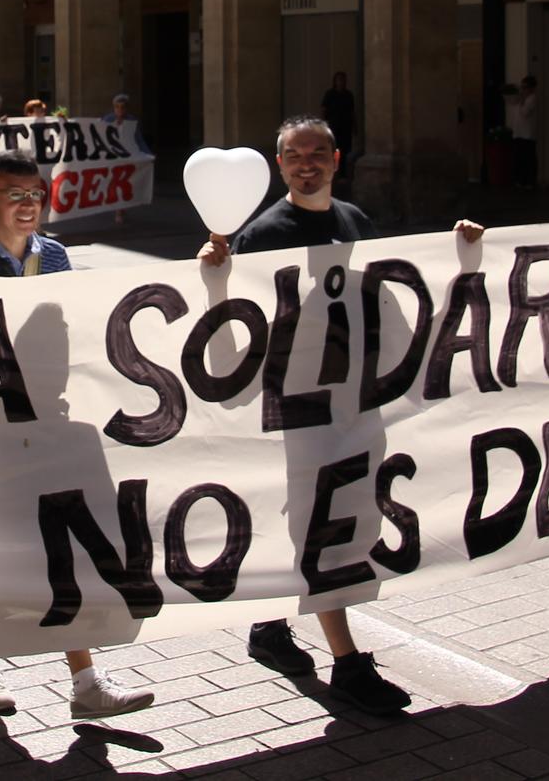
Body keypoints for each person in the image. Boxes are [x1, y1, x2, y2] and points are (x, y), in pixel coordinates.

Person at [199, 115, 484, 716]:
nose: (307, 164)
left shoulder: (356, 221)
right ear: (280, 167)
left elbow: (382, 297)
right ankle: (349, 665)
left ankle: (270, 627)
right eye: (294, 156)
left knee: (326, 516)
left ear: (336, 157)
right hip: (299, 404)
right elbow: (240, 321)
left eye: (317, 153)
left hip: (354, 398)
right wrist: (216, 277)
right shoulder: (265, 234)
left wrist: (459, 256)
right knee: (325, 525)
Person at [0, 151, 156, 720]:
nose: (27, 205)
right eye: (14, 194)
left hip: (49, 419)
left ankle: (86, 682)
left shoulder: (56, 255)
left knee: (63, 545)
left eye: (36, 194)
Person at [104, 93, 147, 225]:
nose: (120, 110)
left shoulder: (132, 120)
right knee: (115, 182)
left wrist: (147, 154)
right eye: (117, 107)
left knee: (124, 183)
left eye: (123, 107)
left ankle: (120, 209)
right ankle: (118, 209)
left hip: (127, 157)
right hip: (113, 157)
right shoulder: (107, 120)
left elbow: (138, 139)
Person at [506, 76, 539, 189]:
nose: (523, 90)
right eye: (522, 87)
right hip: (518, 132)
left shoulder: (532, 99)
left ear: (531, 88)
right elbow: (510, 102)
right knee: (519, 158)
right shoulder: (521, 98)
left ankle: (529, 182)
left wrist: (522, 100)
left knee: (528, 159)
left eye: (525, 87)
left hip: (528, 134)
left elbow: (525, 113)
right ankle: (519, 180)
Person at [320, 71, 356, 171]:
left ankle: (342, 173)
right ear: (335, 81)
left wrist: (354, 126)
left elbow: (352, 112)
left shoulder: (348, 95)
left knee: (344, 150)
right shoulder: (330, 94)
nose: (340, 82)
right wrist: (323, 126)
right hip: (333, 125)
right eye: (338, 80)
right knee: (333, 149)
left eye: (342, 80)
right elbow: (324, 109)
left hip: (345, 126)